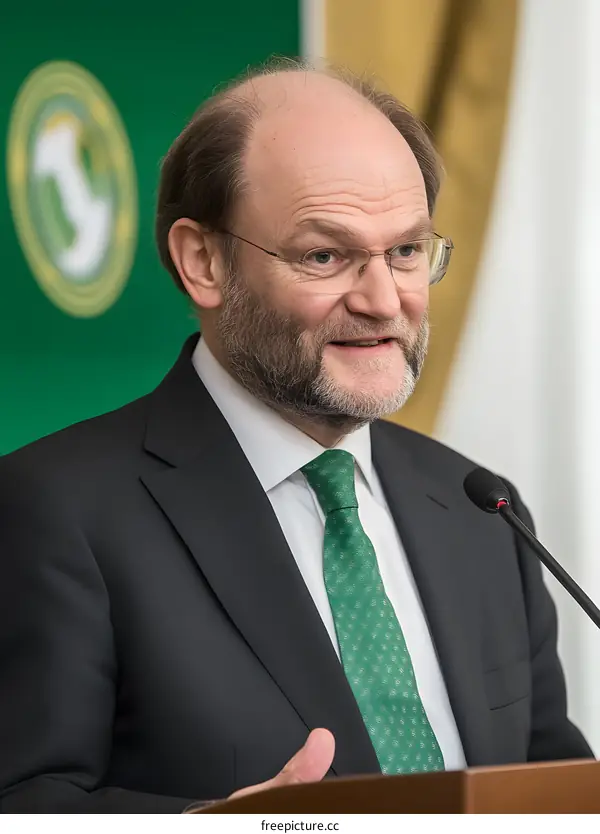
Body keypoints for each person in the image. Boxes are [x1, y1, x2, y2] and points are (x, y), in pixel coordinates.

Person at [0, 61, 592, 814]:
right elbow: (23, 803)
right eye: (325, 256)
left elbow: (552, 794)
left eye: (407, 252)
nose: (384, 301)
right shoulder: (52, 512)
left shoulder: (480, 508)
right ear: (204, 262)